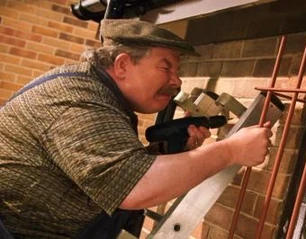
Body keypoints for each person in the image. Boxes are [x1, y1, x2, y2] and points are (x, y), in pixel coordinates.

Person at [0, 19, 272, 239]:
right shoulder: (77, 100)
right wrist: (232, 151)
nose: (176, 81)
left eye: (177, 70)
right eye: (166, 67)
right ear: (122, 65)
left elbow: (105, 170)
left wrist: (171, 153)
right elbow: (135, 187)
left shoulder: (94, 91)